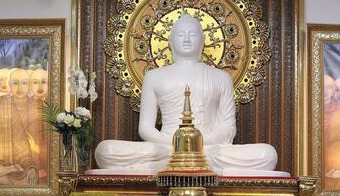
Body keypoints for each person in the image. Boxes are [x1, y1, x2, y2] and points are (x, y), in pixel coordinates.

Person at [94, 13, 281, 175]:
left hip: (208, 149)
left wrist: (195, 146)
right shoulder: (153, 77)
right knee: (106, 150)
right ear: (170, 40)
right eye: (180, 34)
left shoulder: (221, 78)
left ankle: (187, 161)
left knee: (267, 154)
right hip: (167, 147)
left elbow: (228, 129)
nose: (186, 39)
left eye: (192, 34)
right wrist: (178, 146)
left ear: (203, 40)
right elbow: (145, 129)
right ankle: (186, 161)